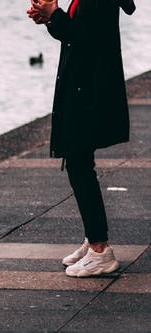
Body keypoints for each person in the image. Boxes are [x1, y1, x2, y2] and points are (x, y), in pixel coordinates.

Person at [26, 0, 136, 277]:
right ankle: (93, 238)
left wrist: (56, 15)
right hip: (82, 87)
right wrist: (51, 19)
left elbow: (89, 39)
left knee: (78, 163)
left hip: (88, 91)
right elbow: (75, 33)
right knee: (79, 162)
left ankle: (100, 250)